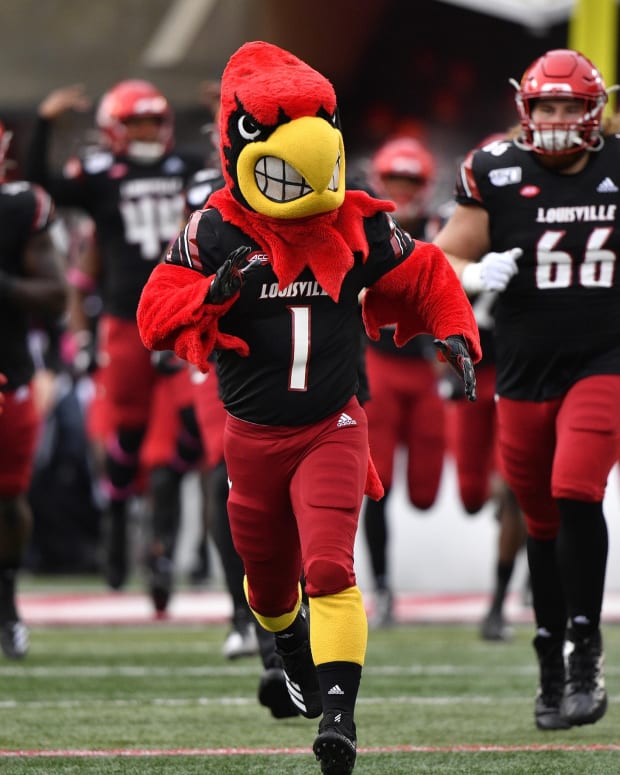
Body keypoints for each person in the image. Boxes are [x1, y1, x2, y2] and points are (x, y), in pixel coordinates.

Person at [137, 41, 480, 775]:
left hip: (333, 424)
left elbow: (423, 271)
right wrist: (210, 296)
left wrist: (454, 328)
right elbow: (152, 316)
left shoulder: (354, 221)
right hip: (252, 433)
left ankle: (340, 718)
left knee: (328, 567)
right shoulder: (211, 230)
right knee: (267, 585)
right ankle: (289, 648)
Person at [434, 48, 620, 731]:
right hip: (522, 367)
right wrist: (475, 274)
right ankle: (550, 659)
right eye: (547, 105)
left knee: (576, 487)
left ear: (594, 112)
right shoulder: (495, 169)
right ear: (526, 109)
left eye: (570, 105)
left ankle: (586, 651)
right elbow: (445, 254)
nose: (558, 117)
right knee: (538, 518)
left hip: (605, 358)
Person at [25, 81, 204, 601]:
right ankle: (120, 517)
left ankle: (161, 548)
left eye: (152, 121)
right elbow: (41, 187)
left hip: (184, 317)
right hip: (126, 322)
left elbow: (236, 176)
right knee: (128, 432)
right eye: (135, 123)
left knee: (182, 436)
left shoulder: (189, 167)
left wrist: (228, 119)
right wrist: (44, 123)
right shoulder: (102, 176)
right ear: (114, 129)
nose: (146, 132)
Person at [360, 136, 447, 628]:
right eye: (394, 179)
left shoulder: (441, 228)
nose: (402, 189)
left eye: (410, 181)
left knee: (425, 491)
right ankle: (383, 584)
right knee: (379, 485)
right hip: (380, 365)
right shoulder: (362, 229)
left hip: (426, 371)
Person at [0, 120, 68, 657]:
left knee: (7, 499)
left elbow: (55, 294)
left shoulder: (21, 207)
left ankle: (6, 605)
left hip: (9, 373)